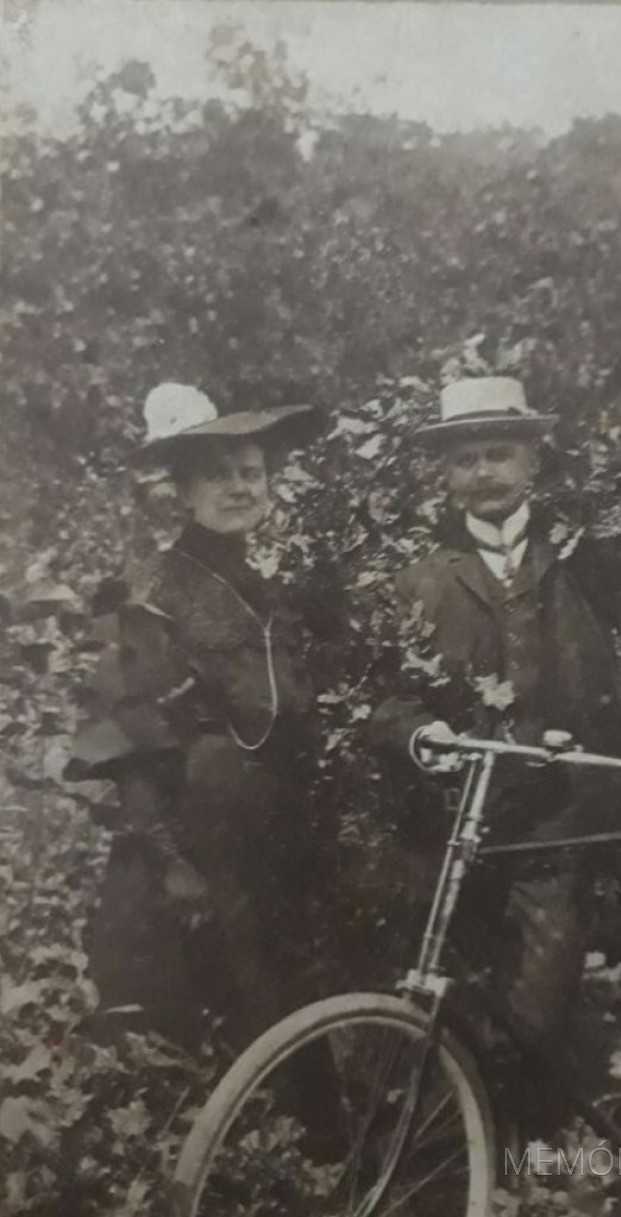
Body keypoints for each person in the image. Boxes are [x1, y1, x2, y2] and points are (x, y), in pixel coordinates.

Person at [371, 376, 621, 1088]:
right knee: (426, 982)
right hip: (464, 815)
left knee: (533, 1012)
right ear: (445, 473)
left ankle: (528, 1149)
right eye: (465, 459)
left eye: (500, 453)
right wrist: (418, 731)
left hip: (574, 813)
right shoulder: (419, 575)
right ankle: (451, 1132)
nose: (484, 472)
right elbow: (385, 692)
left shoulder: (588, 552)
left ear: (533, 460)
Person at [67, 383, 336, 1050]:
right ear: (182, 492)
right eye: (219, 476)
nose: (241, 488)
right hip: (192, 849)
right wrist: (171, 864)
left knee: (282, 1017)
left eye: (253, 473)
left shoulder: (267, 587)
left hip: (265, 840)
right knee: (202, 1027)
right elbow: (126, 740)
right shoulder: (151, 593)